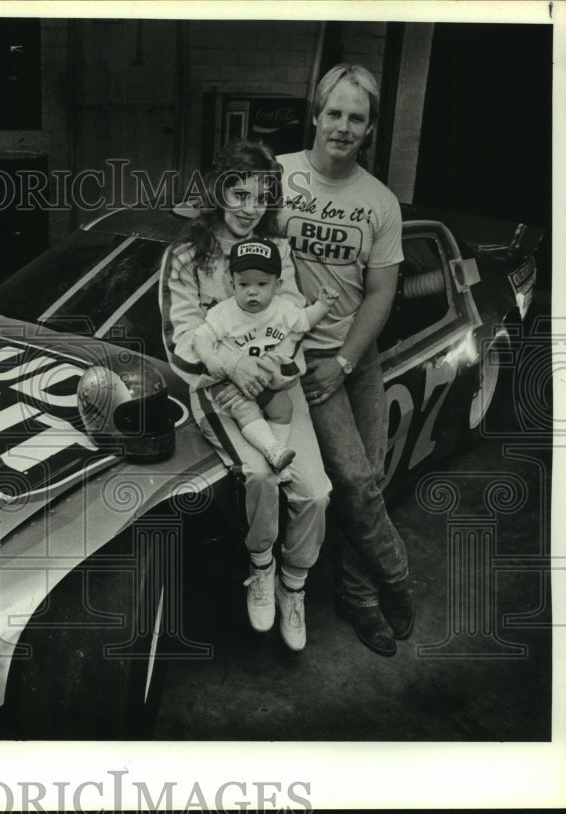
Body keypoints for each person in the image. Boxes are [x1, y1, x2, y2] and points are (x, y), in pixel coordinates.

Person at [160, 139, 332, 651]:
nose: (249, 207)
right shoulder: (186, 254)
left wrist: (280, 368)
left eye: (260, 196)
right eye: (238, 193)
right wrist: (234, 362)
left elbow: (296, 320)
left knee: (316, 491)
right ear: (218, 192)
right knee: (261, 475)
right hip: (218, 392)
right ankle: (260, 568)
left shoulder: (276, 249)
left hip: (277, 387)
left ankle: (292, 586)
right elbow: (179, 342)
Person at [275, 63, 415, 656]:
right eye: (334, 113)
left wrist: (349, 361)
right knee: (355, 479)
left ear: (368, 130)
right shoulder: (276, 177)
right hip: (297, 355)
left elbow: (381, 291)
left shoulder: (380, 202)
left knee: (368, 479)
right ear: (316, 114)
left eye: (355, 118)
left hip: (354, 352)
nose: (342, 126)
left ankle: (357, 594)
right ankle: (395, 581)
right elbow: (222, 230)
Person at [192, 238, 340, 476]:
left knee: (284, 408)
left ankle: (276, 457)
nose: (252, 291)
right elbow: (201, 336)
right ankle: (272, 449)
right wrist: (211, 359)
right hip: (229, 381)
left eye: (262, 284)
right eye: (243, 284)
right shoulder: (224, 313)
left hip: (265, 381)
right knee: (245, 409)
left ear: (277, 284)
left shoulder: (283, 309)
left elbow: (305, 320)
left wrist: (323, 304)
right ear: (231, 285)